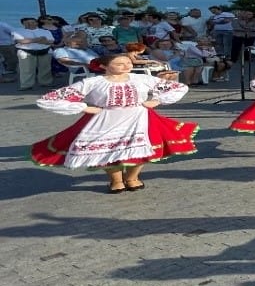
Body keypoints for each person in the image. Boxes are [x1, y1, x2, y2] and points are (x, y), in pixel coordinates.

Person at [31, 53, 198, 193]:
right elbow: (50, 99)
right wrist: (85, 108)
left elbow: (176, 87)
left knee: (142, 151)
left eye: (127, 62)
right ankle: (116, 180)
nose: (125, 66)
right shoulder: (92, 82)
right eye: (119, 63)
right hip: (105, 119)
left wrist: (156, 101)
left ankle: (132, 178)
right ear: (104, 66)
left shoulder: (141, 78)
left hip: (139, 117)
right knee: (106, 150)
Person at [11, 16, 58, 90]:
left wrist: (30, 40)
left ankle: (46, 82)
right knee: (26, 69)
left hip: (44, 51)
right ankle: (26, 85)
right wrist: (38, 39)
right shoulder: (18, 31)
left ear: (36, 23)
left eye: (32, 22)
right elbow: (21, 41)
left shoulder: (45, 31)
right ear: (23, 24)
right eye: (27, 23)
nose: (30, 24)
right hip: (26, 52)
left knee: (45, 69)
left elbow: (50, 41)